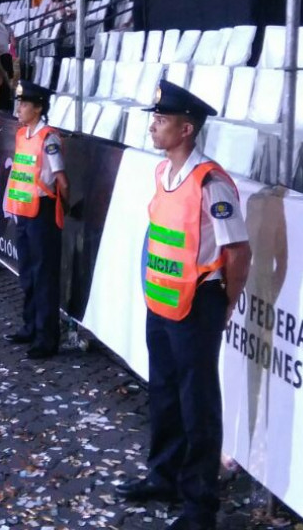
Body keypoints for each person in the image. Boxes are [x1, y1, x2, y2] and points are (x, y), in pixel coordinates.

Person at [114, 80, 251, 530]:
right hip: (163, 299)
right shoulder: (164, 174)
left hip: (198, 303)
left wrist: (224, 302)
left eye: (161, 120)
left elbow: (238, 252)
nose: (154, 126)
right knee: (165, 391)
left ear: (187, 128)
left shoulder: (211, 182)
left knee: (198, 404)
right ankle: (164, 475)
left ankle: (199, 503)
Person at [2, 81, 69, 360]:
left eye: (25, 104)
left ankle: (46, 337)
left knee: (44, 276)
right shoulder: (23, 135)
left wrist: (61, 207)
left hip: (42, 212)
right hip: (24, 211)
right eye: (19, 103)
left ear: (38, 108)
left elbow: (62, 182)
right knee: (28, 273)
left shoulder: (48, 139)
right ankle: (30, 326)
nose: (19, 108)